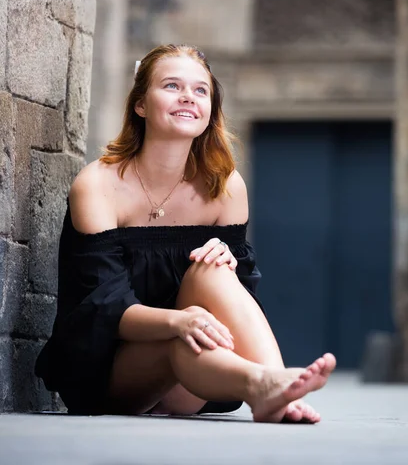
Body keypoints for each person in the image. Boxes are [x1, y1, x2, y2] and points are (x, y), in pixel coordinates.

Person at [35, 44, 336, 423]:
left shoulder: (225, 188)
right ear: (140, 104)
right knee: (180, 335)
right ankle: (265, 386)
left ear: (211, 110)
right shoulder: (98, 185)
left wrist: (228, 268)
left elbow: (237, 310)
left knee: (214, 269)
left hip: (196, 374)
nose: (187, 98)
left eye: (200, 90)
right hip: (108, 373)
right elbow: (104, 308)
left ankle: (275, 388)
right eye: (172, 86)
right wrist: (181, 320)